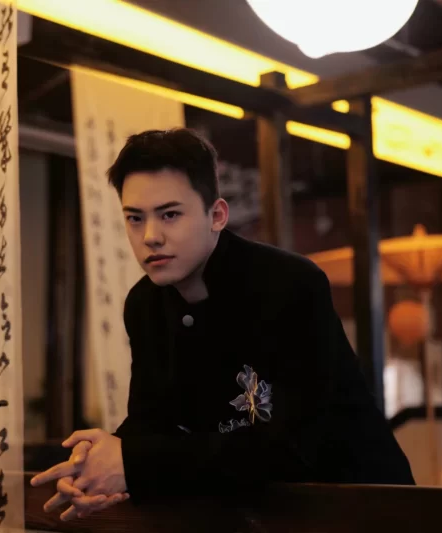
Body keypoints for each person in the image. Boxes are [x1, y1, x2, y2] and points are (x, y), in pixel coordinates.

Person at [30, 128, 415, 521]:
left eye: (170, 214)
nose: (150, 236)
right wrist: (95, 465)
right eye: (134, 218)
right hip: (246, 515)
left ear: (216, 215)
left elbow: (293, 446)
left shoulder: (289, 284)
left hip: (362, 507)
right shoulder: (144, 304)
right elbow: (152, 423)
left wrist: (133, 462)